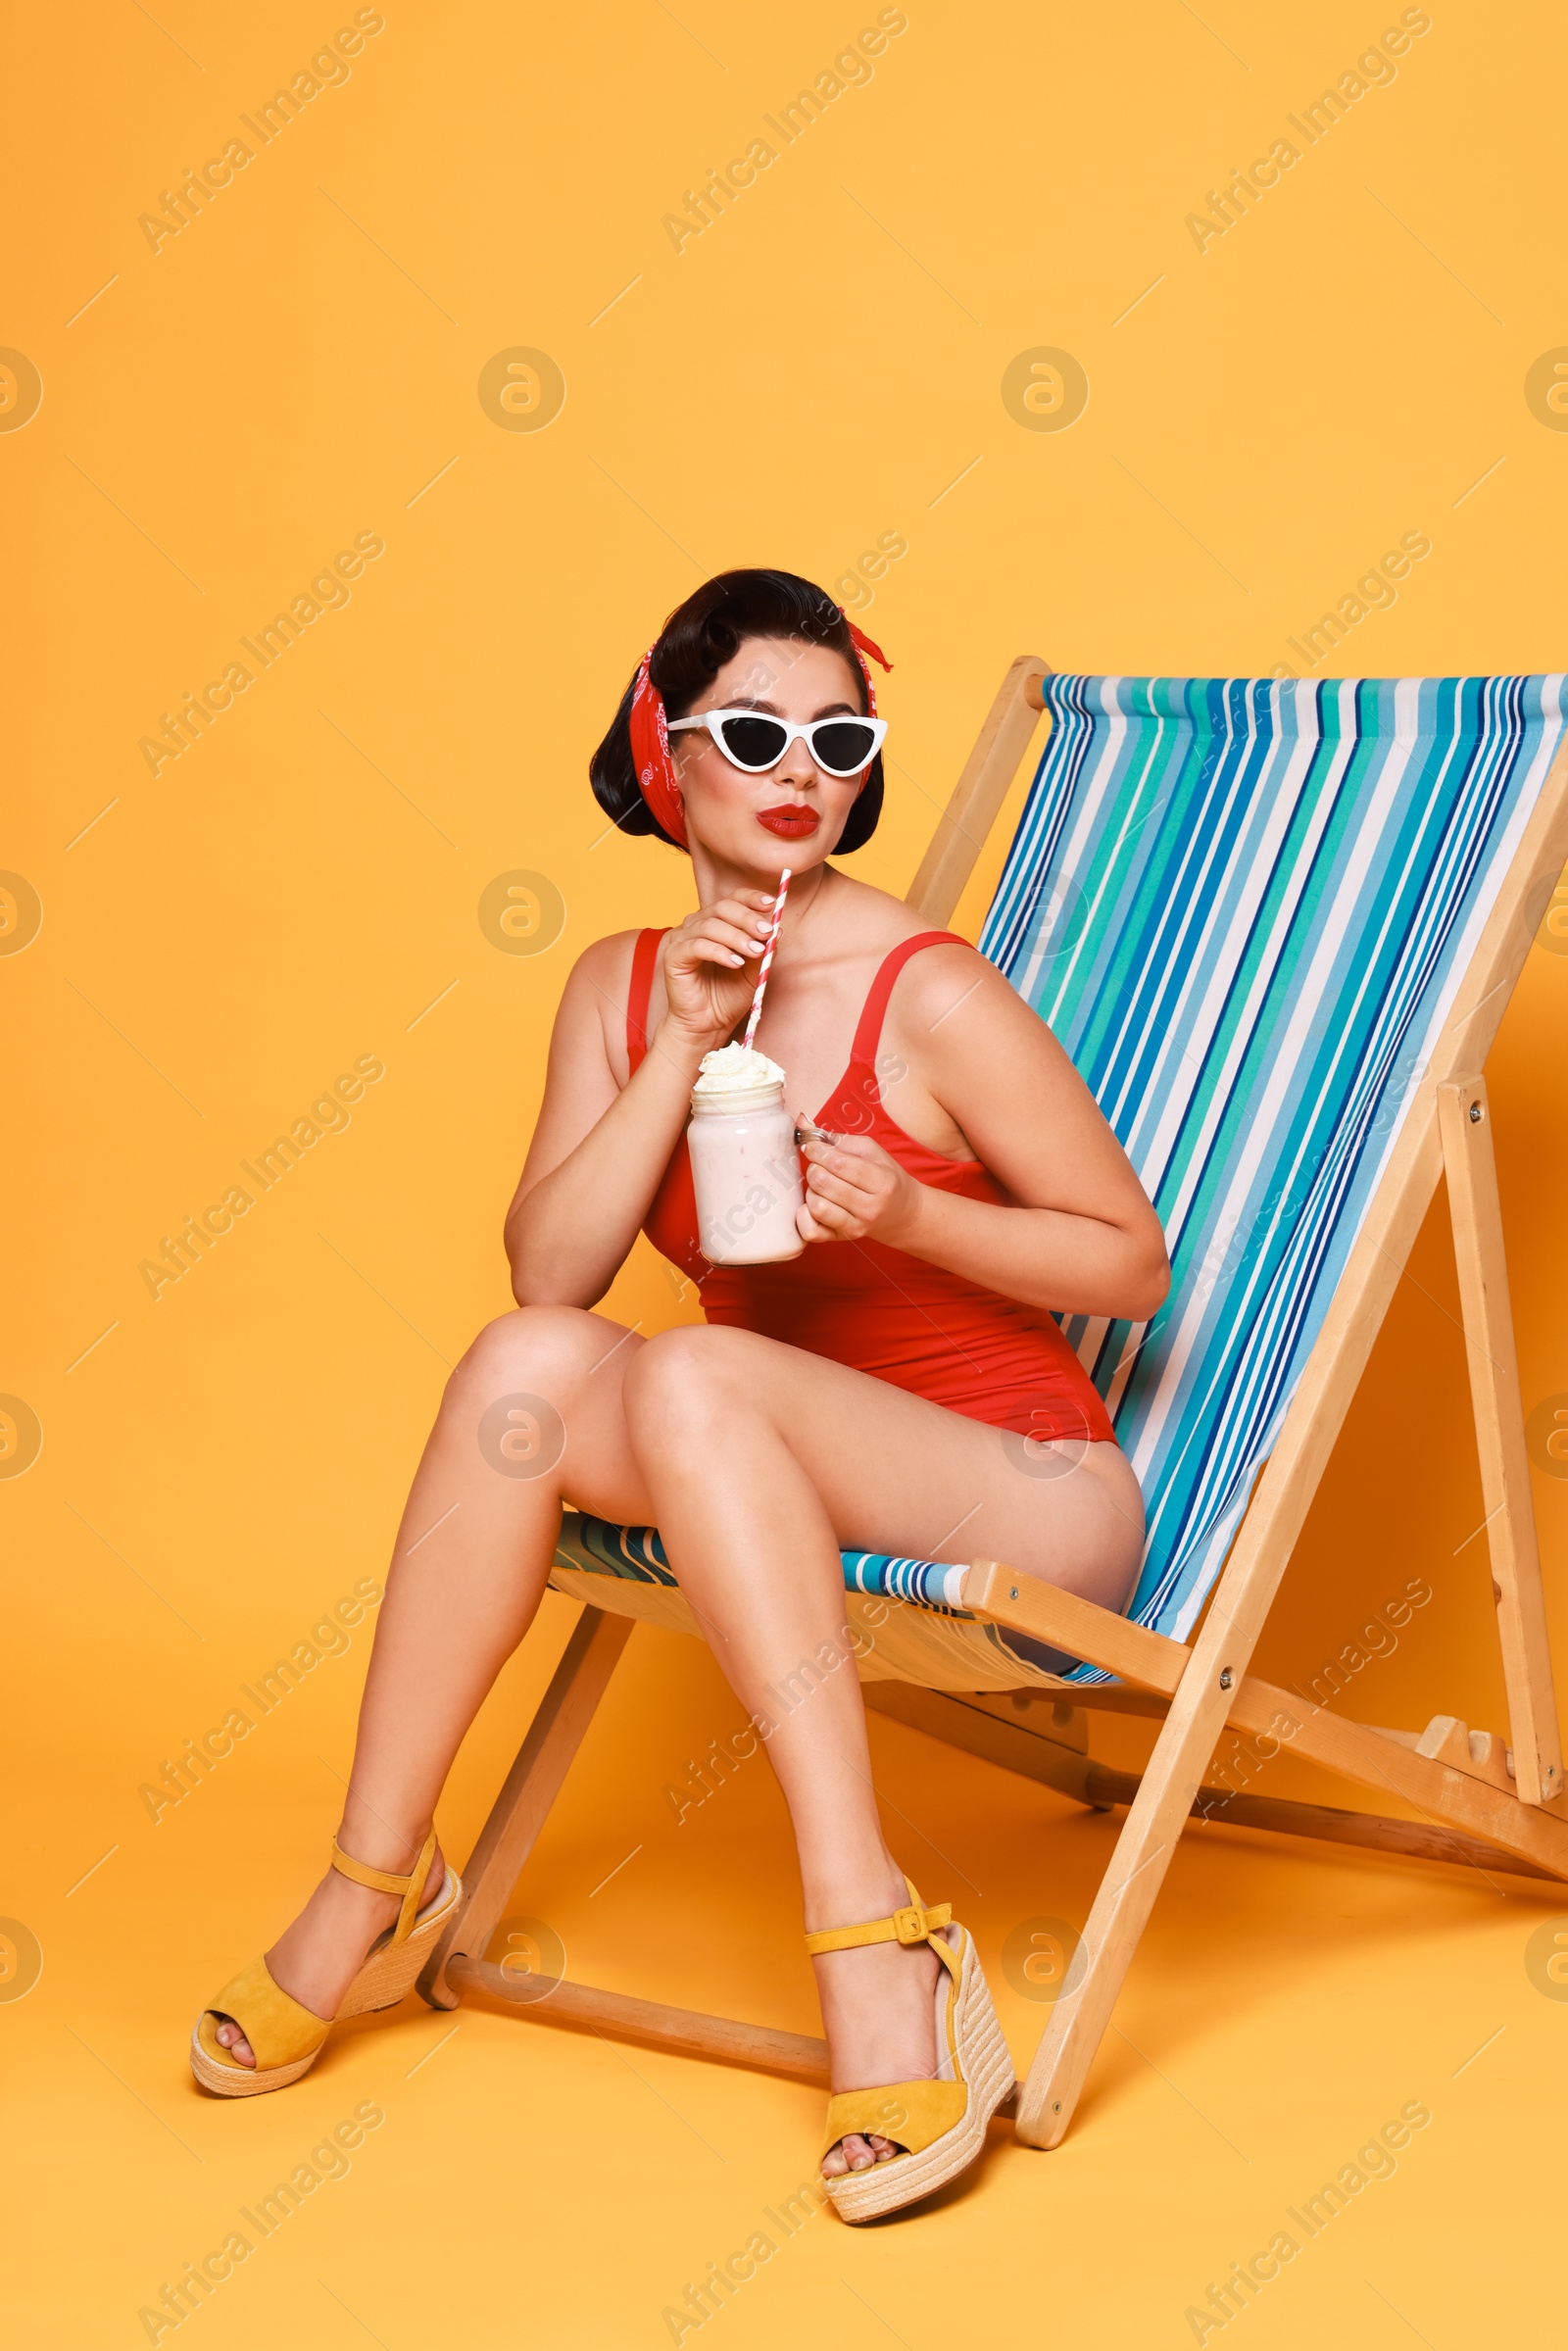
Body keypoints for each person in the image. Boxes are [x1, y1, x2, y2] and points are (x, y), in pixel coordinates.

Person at [191, 568, 1168, 2221]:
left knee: (704, 1373)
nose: (802, 769)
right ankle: (379, 1879)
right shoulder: (615, 986)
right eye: (757, 732)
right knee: (518, 1373)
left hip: (1027, 1485)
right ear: (670, 752)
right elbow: (552, 1281)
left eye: (840, 738)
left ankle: (877, 1945)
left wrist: (916, 1211)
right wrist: (681, 1044)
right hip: (755, 1455)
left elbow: (1128, 1263)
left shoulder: (927, 988)